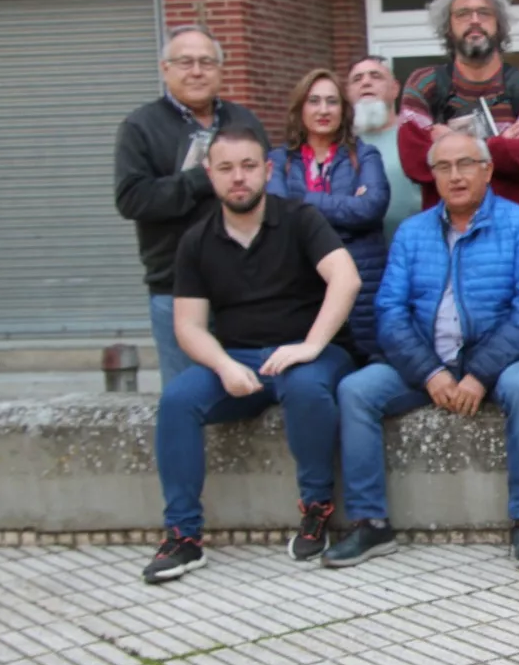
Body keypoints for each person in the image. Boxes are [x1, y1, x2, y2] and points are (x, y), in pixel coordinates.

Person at [142, 125, 361, 583]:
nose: (238, 177)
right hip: (240, 359)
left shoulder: (300, 218)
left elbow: (346, 279)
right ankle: (183, 537)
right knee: (177, 401)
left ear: (267, 169)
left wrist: (310, 345)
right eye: (225, 168)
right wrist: (223, 365)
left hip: (310, 354)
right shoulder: (196, 240)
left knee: (305, 388)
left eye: (247, 166)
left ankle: (316, 508)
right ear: (210, 174)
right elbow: (188, 326)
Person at [331, 131, 519, 570]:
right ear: (432, 176)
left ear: (487, 170)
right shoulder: (412, 232)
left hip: (501, 361)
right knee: (355, 390)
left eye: (466, 164)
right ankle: (370, 523)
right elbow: (390, 311)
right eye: (444, 167)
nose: (455, 176)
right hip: (426, 361)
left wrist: (480, 373)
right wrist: (430, 372)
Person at [115, 25, 268, 386]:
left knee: (251, 391)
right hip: (176, 288)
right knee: (189, 396)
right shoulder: (141, 126)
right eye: (185, 62)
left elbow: (267, 187)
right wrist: (204, 178)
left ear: (220, 69)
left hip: (247, 287)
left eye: (206, 62)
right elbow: (133, 199)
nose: (197, 71)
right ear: (165, 69)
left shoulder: (244, 121)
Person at [397, 0, 519, 235]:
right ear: (448, 26)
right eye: (463, 14)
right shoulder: (423, 84)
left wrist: (450, 143)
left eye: (484, 12)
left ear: (499, 23)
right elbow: (414, 161)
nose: (474, 20)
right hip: (446, 239)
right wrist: (502, 144)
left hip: (517, 238)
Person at [266, 68, 390, 362]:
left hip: (362, 283)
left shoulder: (364, 154)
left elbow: (370, 208)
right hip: (302, 281)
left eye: (332, 101)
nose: (323, 110)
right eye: (314, 101)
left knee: (363, 367)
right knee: (309, 365)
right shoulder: (279, 160)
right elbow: (278, 209)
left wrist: (302, 202)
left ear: (343, 109)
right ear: (300, 108)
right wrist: (346, 208)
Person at [349, 54, 423, 240]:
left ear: (395, 88)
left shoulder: (417, 135)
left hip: (414, 249)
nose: (366, 82)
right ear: (348, 92)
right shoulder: (341, 143)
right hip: (357, 251)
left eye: (376, 76)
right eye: (357, 79)